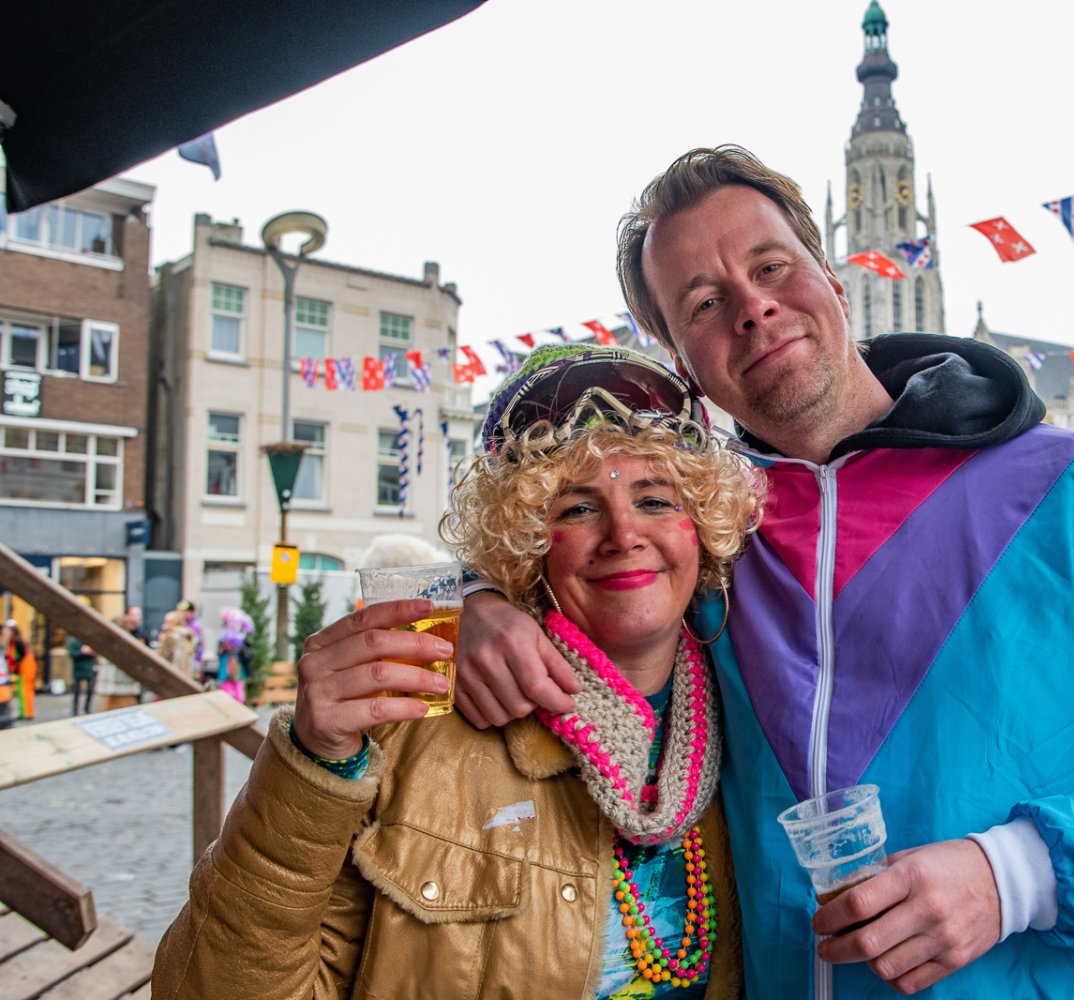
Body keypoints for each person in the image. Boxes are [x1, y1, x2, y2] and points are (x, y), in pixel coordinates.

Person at [456, 146, 1074, 998]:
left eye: (770, 266)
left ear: (833, 277)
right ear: (684, 362)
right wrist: (471, 600)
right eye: (705, 302)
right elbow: (550, 557)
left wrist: (1016, 876)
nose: (754, 308)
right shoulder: (705, 533)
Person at [154, 345, 760, 998]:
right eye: (577, 509)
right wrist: (313, 762)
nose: (623, 534)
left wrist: (467, 593)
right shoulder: (410, 710)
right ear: (525, 542)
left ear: (705, 524)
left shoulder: (756, 707)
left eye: (656, 500)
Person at [94, 614, 143, 711]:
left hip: (114, 688)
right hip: (123, 688)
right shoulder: (128, 643)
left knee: (109, 716)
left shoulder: (108, 642)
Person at [2, 620, 37, 722]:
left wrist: (14, 664)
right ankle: (24, 712)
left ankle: (27, 713)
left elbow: (21, 655)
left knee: (25, 690)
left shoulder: (17, 641)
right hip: (23, 669)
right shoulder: (15, 640)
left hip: (26, 668)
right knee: (22, 691)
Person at [156, 611, 198, 680]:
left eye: (166, 622)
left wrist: (162, 641)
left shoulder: (171, 637)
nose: (165, 624)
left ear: (172, 622)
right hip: (187, 676)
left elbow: (162, 657)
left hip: (173, 676)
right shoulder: (189, 636)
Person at [66, 632, 97, 715]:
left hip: (89, 668)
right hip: (78, 669)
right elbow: (72, 654)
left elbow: (95, 653)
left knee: (90, 689)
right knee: (77, 691)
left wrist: (90, 652)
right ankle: (75, 710)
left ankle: (87, 708)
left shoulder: (88, 639)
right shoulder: (73, 640)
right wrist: (83, 652)